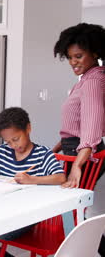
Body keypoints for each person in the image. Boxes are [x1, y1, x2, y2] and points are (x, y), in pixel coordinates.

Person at [0, 107, 65, 257]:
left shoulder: (43, 154)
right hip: (3, 211)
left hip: (28, 215)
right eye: (8, 142)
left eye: (16, 139)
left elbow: (60, 177)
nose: (13, 146)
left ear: (28, 128)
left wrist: (32, 180)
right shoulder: (3, 151)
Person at [51, 22, 105, 255]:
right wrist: (58, 145)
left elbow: (91, 128)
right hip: (72, 149)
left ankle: (73, 251)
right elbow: (76, 123)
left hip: (81, 154)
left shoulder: (93, 81)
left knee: (68, 207)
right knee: (71, 208)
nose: (73, 62)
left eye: (79, 56)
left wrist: (78, 165)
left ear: (95, 52)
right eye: (69, 57)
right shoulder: (88, 78)